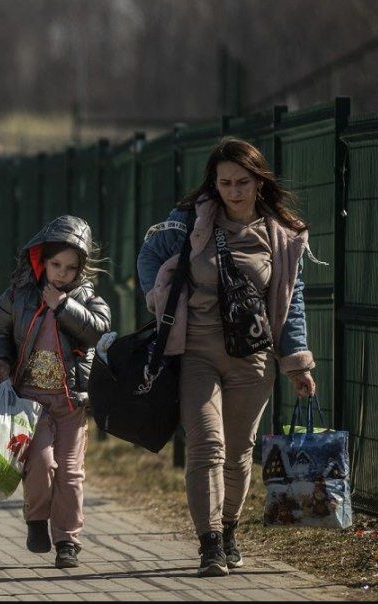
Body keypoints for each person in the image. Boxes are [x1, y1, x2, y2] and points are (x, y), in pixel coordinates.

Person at [137, 137, 318, 577]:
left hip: (253, 358)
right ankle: (210, 544)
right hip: (195, 351)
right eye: (225, 183)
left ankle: (230, 528)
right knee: (206, 445)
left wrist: (297, 364)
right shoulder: (188, 220)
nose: (233, 191)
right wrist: (160, 298)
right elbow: (149, 256)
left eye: (242, 182)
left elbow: (291, 301)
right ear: (213, 184)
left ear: (259, 182)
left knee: (238, 453)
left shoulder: (281, 235)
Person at [0, 215, 111, 569]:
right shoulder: (19, 296)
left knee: (70, 472)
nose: (61, 274)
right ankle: (37, 519)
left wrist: (64, 305)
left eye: (70, 268)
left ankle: (68, 540)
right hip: (31, 403)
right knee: (40, 464)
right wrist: (0, 360)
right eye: (56, 265)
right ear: (41, 260)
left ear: (80, 269)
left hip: (71, 402)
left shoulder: (87, 298)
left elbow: (99, 329)